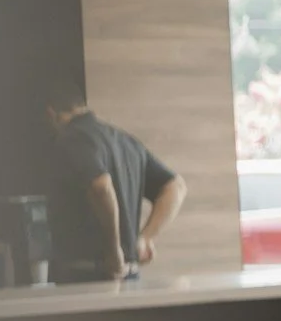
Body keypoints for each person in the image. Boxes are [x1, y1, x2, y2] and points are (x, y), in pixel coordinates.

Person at [45, 92, 184, 282]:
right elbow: (175, 186)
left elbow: (101, 186)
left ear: (51, 113)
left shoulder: (71, 138)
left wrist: (113, 251)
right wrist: (144, 238)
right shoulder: (125, 141)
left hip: (86, 276)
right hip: (130, 275)